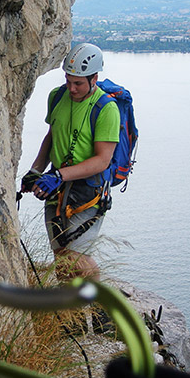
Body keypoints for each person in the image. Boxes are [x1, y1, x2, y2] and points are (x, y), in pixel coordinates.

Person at [20, 43, 120, 281]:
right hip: (56, 186)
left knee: (76, 256)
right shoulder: (57, 97)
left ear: (94, 78)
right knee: (61, 254)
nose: (71, 88)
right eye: (68, 81)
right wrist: (35, 170)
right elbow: (52, 137)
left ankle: (99, 312)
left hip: (88, 190)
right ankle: (68, 313)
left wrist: (58, 176)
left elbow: (102, 160)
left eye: (78, 83)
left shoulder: (106, 109)